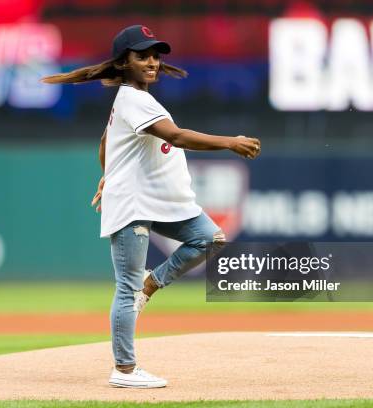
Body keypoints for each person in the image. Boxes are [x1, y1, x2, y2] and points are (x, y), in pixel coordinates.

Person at [42, 24, 260, 388]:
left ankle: (152, 285)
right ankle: (124, 370)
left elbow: (105, 139)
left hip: (156, 201)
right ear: (123, 63)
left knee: (210, 239)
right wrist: (230, 142)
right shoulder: (132, 98)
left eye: (155, 55)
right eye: (142, 55)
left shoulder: (137, 100)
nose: (152, 62)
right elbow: (175, 136)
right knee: (125, 286)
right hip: (133, 205)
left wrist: (108, 172)